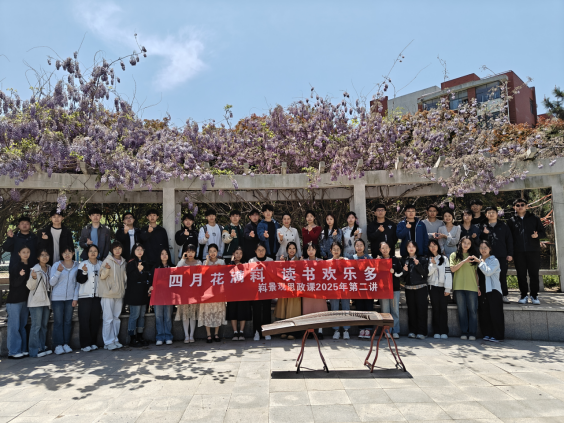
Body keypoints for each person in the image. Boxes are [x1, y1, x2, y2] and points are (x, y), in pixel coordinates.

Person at [507, 198, 547, 305]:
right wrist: (510, 252)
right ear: (514, 207)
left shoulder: (534, 218)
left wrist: (537, 235)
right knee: (521, 274)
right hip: (518, 252)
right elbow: (509, 237)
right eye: (517, 205)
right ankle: (523, 295)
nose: (520, 207)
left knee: (534, 274)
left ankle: (534, 295)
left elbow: (543, 233)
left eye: (522, 205)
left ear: (526, 206)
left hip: (533, 250)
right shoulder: (511, 221)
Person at [480, 207, 513, 303]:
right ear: (486, 215)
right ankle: (488, 295)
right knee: (486, 275)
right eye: (489, 212)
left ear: (497, 214)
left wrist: (510, 254)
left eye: (493, 212)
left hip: (501, 255)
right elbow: (480, 240)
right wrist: (484, 234)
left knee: (502, 275)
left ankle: (504, 295)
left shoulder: (503, 225)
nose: (491, 214)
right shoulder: (483, 226)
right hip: (487, 256)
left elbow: (509, 240)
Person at [49, 247, 79, 354]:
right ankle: (58, 345)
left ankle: (66, 344)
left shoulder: (77, 266)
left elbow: (77, 284)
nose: (67, 255)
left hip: (70, 298)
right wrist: (58, 272)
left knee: (67, 321)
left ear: (73, 253)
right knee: (58, 322)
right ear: (62, 254)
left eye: (69, 252)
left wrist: (75, 298)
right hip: (57, 298)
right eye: (64, 253)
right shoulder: (56, 265)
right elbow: (51, 283)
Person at [450, 236, 480, 340]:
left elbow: (475, 273)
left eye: (468, 243)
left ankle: (472, 333)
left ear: (471, 245)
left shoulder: (473, 257)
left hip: (472, 287)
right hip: (458, 287)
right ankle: (464, 332)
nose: (466, 245)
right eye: (464, 242)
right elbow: (453, 269)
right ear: (460, 243)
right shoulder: (454, 255)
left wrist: (478, 287)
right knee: (462, 311)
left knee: (473, 310)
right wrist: (464, 261)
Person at [99, 241, 127, 350]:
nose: (117, 250)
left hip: (119, 294)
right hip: (108, 294)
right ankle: (108, 342)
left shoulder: (124, 262)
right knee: (108, 318)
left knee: (116, 318)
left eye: (119, 248)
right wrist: (106, 269)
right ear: (112, 250)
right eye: (115, 248)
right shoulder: (107, 261)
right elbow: (101, 276)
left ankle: (115, 339)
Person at [475, 240, 504, 342]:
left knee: (495, 313)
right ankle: (487, 333)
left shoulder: (494, 260)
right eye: (481, 248)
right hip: (482, 289)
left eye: (485, 248)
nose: (483, 250)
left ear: (490, 249)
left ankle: (498, 335)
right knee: (484, 312)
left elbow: (488, 272)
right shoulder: (478, 259)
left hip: (493, 289)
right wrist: (478, 287)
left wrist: (480, 262)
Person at [76, 244, 103, 352]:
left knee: (95, 320)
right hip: (85, 296)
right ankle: (85, 344)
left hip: (97, 296)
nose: (93, 253)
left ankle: (93, 342)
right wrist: (84, 272)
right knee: (84, 321)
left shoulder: (101, 264)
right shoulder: (83, 264)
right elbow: (80, 280)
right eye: (91, 251)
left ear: (98, 253)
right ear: (87, 253)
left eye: (95, 251)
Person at [6, 245, 32, 359]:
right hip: (14, 301)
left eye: (28, 252)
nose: (26, 254)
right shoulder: (16, 266)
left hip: (25, 300)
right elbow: (14, 284)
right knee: (14, 326)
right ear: (19, 253)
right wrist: (21, 276)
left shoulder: (31, 266)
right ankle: (13, 351)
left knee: (22, 326)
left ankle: (22, 349)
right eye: (23, 252)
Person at [124, 243, 152, 347]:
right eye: (137, 249)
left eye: (141, 249)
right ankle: (132, 337)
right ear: (133, 251)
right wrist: (138, 271)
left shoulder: (145, 262)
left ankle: (140, 336)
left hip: (143, 293)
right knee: (134, 315)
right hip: (134, 293)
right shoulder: (131, 263)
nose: (140, 251)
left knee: (141, 315)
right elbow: (131, 278)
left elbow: (147, 277)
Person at [27, 249, 52, 358]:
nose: (44, 257)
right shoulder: (34, 269)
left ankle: (42, 347)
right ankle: (34, 350)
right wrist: (33, 278)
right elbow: (30, 286)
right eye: (42, 255)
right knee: (36, 326)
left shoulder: (50, 268)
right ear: (38, 257)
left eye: (46, 255)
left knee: (44, 326)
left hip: (46, 300)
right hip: (36, 301)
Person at [199, 244, 227, 343]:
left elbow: (225, 275)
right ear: (208, 253)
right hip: (207, 291)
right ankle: (208, 334)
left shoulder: (222, 262)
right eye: (210, 251)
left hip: (218, 291)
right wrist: (207, 262)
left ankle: (216, 333)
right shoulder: (204, 262)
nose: (212, 253)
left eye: (214, 251)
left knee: (217, 311)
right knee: (207, 312)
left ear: (217, 252)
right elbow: (202, 275)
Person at [402, 241, 429, 339]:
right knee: (411, 311)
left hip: (421, 288)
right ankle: (412, 331)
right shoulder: (404, 260)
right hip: (409, 289)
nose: (411, 248)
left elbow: (425, 273)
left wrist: (418, 265)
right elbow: (402, 277)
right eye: (409, 246)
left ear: (416, 248)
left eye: (413, 246)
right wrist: (404, 271)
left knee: (421, 310)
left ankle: (422, 332)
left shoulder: (422, 259)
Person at [274, 242, 302, 340]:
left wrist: (301, 264)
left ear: (296, 250)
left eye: (294, 248)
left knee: (293, 310)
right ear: (286, 250)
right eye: (290, 248)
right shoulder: (283, 260)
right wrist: (281, 264)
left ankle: (293, 332)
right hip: (285, 288)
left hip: (294, 289)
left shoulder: (299, 261)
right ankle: (284, 331)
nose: (292, 250)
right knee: (284, 309)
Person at [349, 239, 375, 339]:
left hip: (368, 288)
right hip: (357, 288)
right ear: (354, 247)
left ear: (364, 246)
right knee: (359, 308)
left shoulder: (369, 257)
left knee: (369, 308)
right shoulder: (352, 258)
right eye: (357, 245)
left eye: (361, 245)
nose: (359, 247)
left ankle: (368, 329)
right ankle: (361, 329)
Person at [427, 239, 452, 339]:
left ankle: (444, 331)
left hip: (442, 287)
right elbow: (427, 273)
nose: (433, 247)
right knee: (435, 309)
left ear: (438, 246)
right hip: (432, 287)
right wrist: (433, 264)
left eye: (434, 245)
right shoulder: (427, 259)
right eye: (430, 246)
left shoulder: (444, 259)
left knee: (443, 309)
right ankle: (436, 331)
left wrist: (448, 288)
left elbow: (448, 273)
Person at [226, 247, 252, 341]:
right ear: (233, 254)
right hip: (232, 293)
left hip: (243, 293)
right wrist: (232, 264)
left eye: (240, 253)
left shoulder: (246, 264)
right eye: (236, 253)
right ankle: (235, 332)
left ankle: (241, 331)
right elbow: (226, 276)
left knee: (242, 312)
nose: (238, 255)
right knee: (233, 312)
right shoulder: (228, 265)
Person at [249, 242, 273, 341]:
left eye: (263, 250)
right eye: (259, 250)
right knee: (256, 311)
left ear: (266, 251)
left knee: (267, 311)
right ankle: (257, 332)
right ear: (255, 251)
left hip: (267, 289)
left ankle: (267, 331)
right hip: (256, 291)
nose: (261, 252)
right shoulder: (251, 261)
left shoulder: (270, 260)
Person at [378, 242, 403, 339]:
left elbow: (400, 272)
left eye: (386, 248)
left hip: (394, 288)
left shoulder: (395, 259)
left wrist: (394, 272)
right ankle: (386, 331)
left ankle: (395, 330)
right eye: (382, 248)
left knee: (395, 310)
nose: (385, 250)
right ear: (380, 250)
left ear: (390, 249)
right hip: (383, 290)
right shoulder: (378, 260)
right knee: (385, 311)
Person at [302, 242, 327, 338]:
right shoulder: (303, 261)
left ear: (316, 250)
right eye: (309, 249)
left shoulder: (321, 261)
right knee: (308, 310)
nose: (311, 251)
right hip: (307, 290)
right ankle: (309, 330)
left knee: (320, 309)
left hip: (319, 289)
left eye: (312, 249)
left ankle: (320, 330)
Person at [326, 242, 351, 340]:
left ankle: (346, 330)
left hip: (345, 289)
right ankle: (336, 330)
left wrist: (345, 263)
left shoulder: (346, 260)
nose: (336, 251)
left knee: (346, 308)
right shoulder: (327, 262)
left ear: (341, 250)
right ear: (330, 251)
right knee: (334, 309)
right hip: (333, 289)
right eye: (334, 249)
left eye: (338, 249)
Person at [175, 245, 200, 343]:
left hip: (195, 292)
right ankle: (186, 335)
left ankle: (191, 335)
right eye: (188, 251)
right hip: (184, 292)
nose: (190, 254)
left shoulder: (198, 262)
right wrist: (182, 259)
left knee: (193, 314)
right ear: (185, 252)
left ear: (195, 253)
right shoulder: (182, 263)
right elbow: (176, 269)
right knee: (185, 314)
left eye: (192, 252)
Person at [152, 248, 174, 345]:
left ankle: (168, 336)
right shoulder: (155, 267)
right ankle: (160, 337)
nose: (164, 255)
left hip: (169, 295)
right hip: (158, 295)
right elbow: (151, 280)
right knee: (158, 316)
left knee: (168, 316)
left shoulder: (172, 267)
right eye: (162, 253)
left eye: (166, 254)